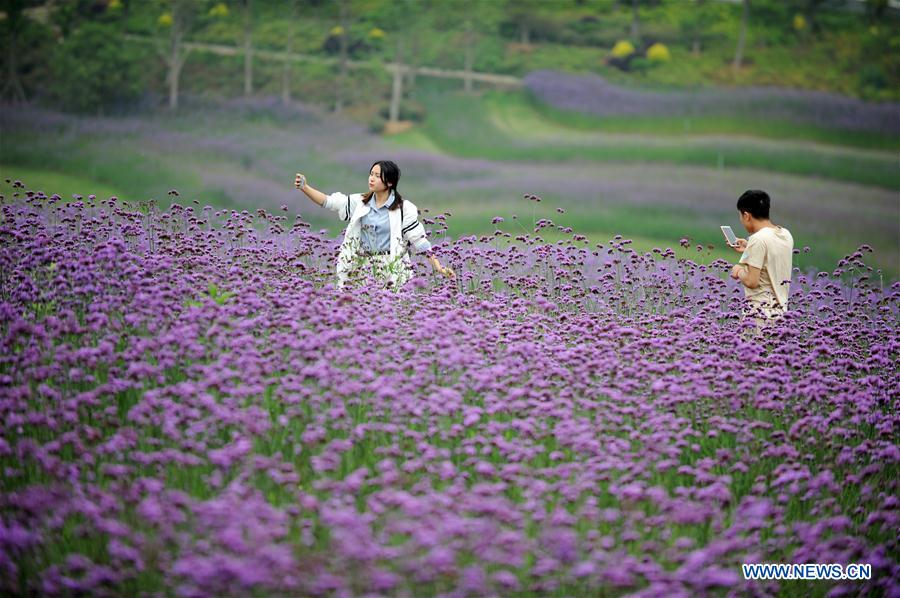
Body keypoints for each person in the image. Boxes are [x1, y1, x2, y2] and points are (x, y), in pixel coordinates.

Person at [293, 160, 455, 289]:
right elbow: (328, 202)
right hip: (361, 266)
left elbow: (420, 241)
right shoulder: (360, 202)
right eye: (371, 174)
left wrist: (438, 267)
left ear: (390, 182)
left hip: (392, 266)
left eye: (377, 176)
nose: (372, 178)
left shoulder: (403, 208)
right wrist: (305, 187)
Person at [728, 189, 794, 321]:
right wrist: (749, 248)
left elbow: (752, 281)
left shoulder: (757, 239)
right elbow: (772, 255)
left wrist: (738, 271)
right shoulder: (785, 234)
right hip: (781, 315)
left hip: (759, 316)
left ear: (746, 215)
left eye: (740, 216)